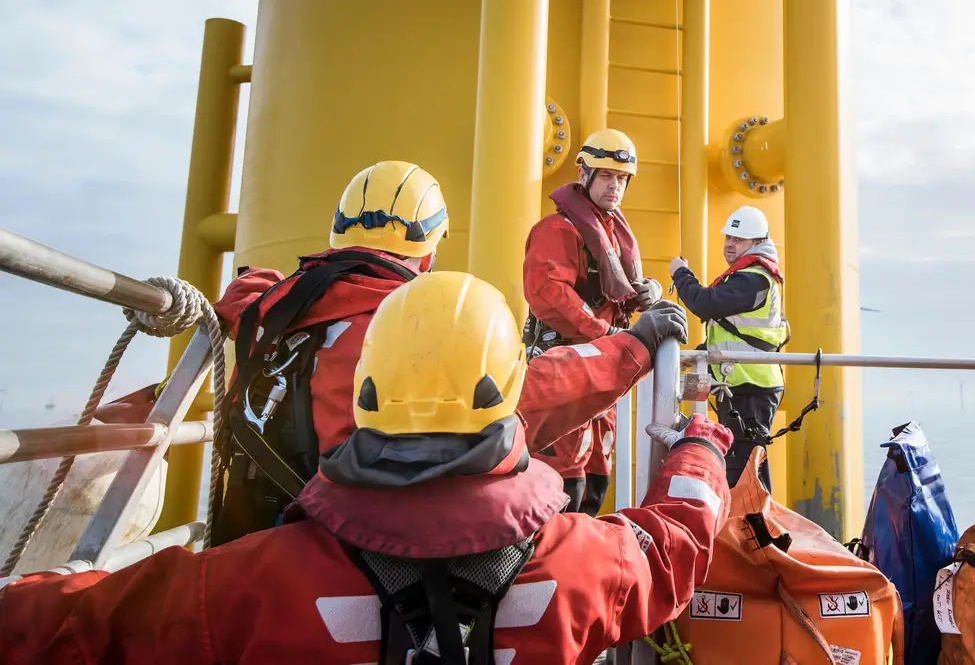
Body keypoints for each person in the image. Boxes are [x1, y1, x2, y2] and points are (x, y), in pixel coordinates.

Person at [0, 272, 731, 665]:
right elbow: (680, 537)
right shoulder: (586, 564)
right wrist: (700, 440)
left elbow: (73, 626)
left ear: (368, 392)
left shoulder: (243, 586)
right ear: (509, 389)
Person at [208, 160, 451, 544]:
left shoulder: (279, 306)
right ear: (428, 254)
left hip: (250, 526)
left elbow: (244, 299)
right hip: (354, 541)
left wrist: (258, 279)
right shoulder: (429, 323)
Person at [522, 129, 661, 515]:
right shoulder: (556, 231)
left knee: (595, 473)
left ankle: (577, 566)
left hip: (599, 372)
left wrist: (646, 292)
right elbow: (549, 293)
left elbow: (611, 293)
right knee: (560, 479)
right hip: (563, 371)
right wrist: (610, 336)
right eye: (606, 176)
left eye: (621, 179)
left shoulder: (609, 233)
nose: (615, 186)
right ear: (584, 175)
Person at [668, 205, 789, 491]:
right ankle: (755, 530)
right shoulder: (748, 277)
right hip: (740, 384)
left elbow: (705, 303)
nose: (730, 245)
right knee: (746, 467)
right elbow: (734, 332)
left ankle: (754, 531)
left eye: (739, 240)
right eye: (728, 238)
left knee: (743, 469)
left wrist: (681, 274)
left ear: (757, 243)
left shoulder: (753, 280)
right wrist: (700, 353)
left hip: (751, 386)